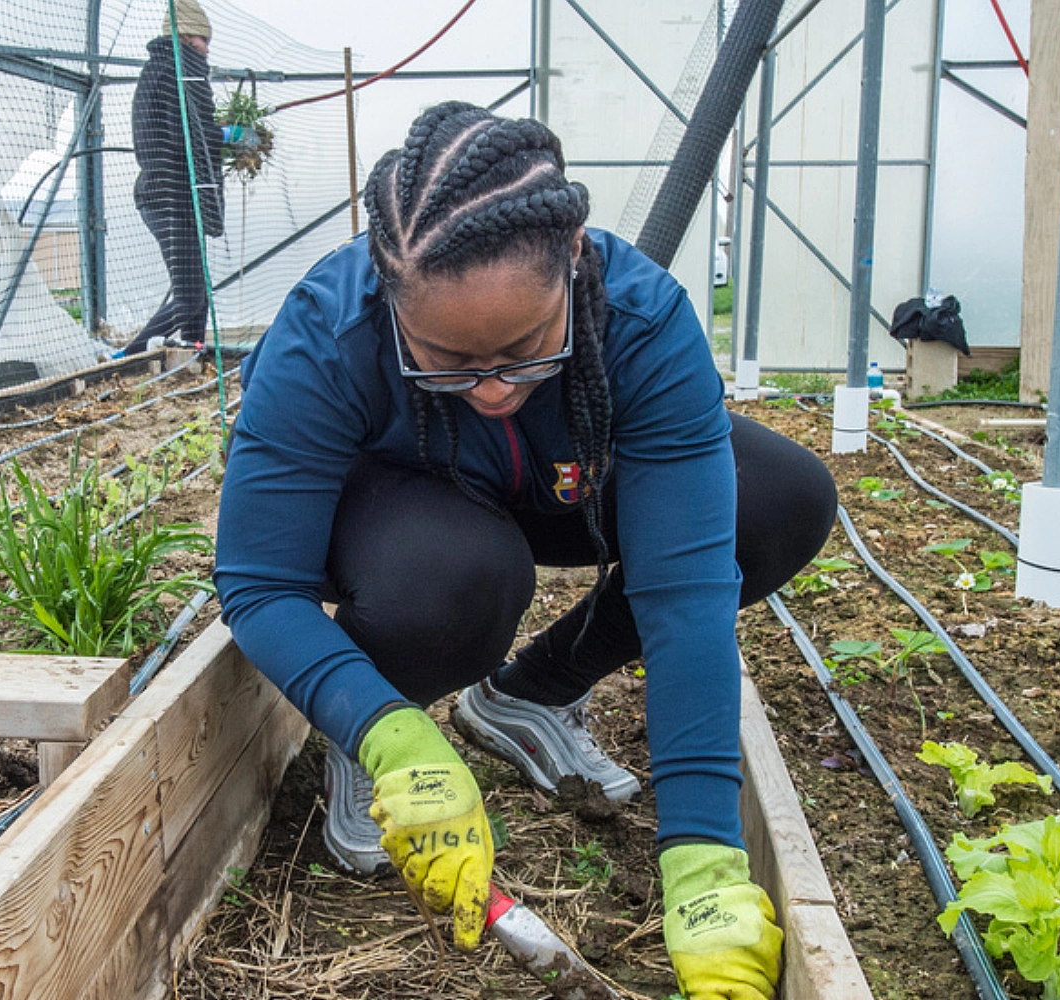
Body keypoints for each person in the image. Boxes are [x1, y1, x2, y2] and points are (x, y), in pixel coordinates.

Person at [215, 102, 837, 1000]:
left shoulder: (639, 317)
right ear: (390, 297)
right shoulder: (326, 332)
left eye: (524, 350)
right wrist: (388, 733)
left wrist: (706, 858)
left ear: (574, 255)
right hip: (408, 511)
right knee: (455, 577)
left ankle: (527, 696)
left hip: (566, 482)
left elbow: (685, 596)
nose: (496, 389)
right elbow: (260, 581)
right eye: (448, 362)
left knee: (777, 498)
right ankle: (384, 728)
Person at [119, 0, 224, 356]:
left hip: (178, 194)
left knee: (197, 290)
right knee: (189, 293)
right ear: (183, 36)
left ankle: (193, 349)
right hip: (166, 196)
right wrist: (220, 137)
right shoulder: (172, 73)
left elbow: (186, 131)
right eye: (201, 39)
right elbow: (183, 137)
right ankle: (128, 356)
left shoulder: (173, 70)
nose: (206, 49)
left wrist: (214, 135)